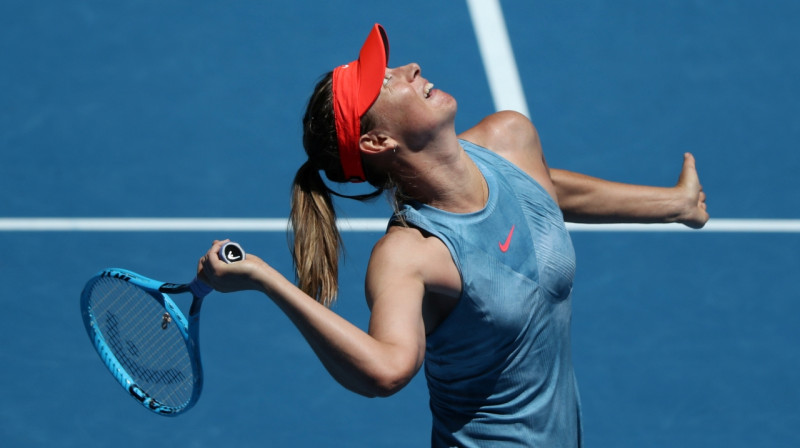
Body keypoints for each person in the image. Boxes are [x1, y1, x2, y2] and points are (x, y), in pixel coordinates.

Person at [198, 24, 708, 447]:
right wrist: (265, 278)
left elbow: (542, 195)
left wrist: (673, 204)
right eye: (387, 80)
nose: (411, 67)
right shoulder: (411, 254)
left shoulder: (509, 140)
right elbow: (385, 370)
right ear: (377, 140)